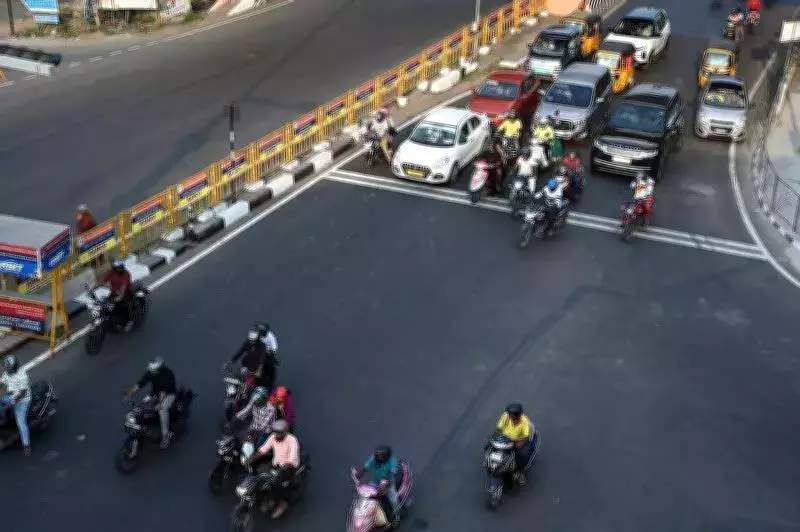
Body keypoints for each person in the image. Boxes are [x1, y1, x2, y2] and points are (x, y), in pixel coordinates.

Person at [244, 419, 300, 519]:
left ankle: (282, 504)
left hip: (289, 467)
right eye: (275, 433)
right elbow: (263, 450)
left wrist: (282, 469)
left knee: (278, 484)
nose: (276, 435)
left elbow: (292, 459)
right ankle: (268, 497)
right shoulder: (273, 437)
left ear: (284, 433)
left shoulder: (292, 441)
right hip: (276, 464)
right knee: (261, 475)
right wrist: (251, 459)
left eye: (279, 433)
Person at [124, 357, 177, 448]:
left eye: (154, 371)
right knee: (142, 407)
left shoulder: (167, 374)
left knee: (162, 410)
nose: (152, 372)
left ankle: (165, 436)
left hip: (168, 394)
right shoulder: (150, 372)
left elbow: (163, 392)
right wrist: (129, 394)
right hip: (154, 393)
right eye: (151, 370)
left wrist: (159, 404)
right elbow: (140, 384)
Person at [355, 445, 400, 527]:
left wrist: (387, 483)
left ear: (387, 456)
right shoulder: (373, 459)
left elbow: (393, 474)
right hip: (374, 482)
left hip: (387, 483)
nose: (380, 458)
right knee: (366, 497)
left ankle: (396, 517)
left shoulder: (392, 461)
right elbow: (366, 467)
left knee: (393, 500)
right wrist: (359, 475)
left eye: (382, 456)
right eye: (378, 456)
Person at [495, 402, 535, 485]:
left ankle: (519, 473)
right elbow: (499, 428)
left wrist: (520, 443)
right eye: (510, 414)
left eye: (513, 415)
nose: (510, 416)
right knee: (489, 447)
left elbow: (525, 436)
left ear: (518, 415)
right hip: (504, 439)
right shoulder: (506, 416)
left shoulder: (525, 422)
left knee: (520, 457)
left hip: (516, 442)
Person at [0, 356, 32, 456]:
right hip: (11, 396)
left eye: (8, 367)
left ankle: (27, 445)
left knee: (21, 423)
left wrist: (12, 403)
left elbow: (22, 393)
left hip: (22, 400)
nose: (5, 369)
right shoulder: (7, 373)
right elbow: (1, 382)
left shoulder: (22, 376)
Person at [96, 259, 134, 331]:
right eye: (115, 268)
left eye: (119, 268)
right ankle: (112, 320)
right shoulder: (111, 272)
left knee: (122, 306)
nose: (117, 269)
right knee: (105, 305)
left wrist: (119, 297)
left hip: (126, 293)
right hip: (114, 293)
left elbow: (124, 287)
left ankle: (129, 321)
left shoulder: (125, 274)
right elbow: (102, 280)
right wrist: (94, 287)